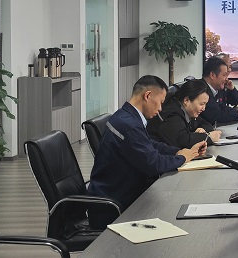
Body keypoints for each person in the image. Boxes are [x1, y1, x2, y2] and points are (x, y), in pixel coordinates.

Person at [87, 75, 204, 228]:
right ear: (147, 96)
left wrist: (178, 152)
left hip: (123, 194)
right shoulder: (128, 124)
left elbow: (150, 145)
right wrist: (182, 158)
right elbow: (154, 163)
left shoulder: (126, 116)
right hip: (114, 207)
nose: (160, 109)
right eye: (160, 102)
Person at [147, 79, 221, 148]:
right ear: (186, 100)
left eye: (205, 104)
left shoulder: (189, 112)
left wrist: (202, 130)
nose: (203, 108)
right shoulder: (172, 113)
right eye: (201, 104)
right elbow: (181, 141)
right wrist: (208, 137)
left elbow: (206, 124)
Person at [199, 57, 238, 124]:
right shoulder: (200, 90)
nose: (226, 79)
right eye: (224, 75)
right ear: (212, 75)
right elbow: (216, 115)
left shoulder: (218, 89)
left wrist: (232, 89)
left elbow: (234, 102)